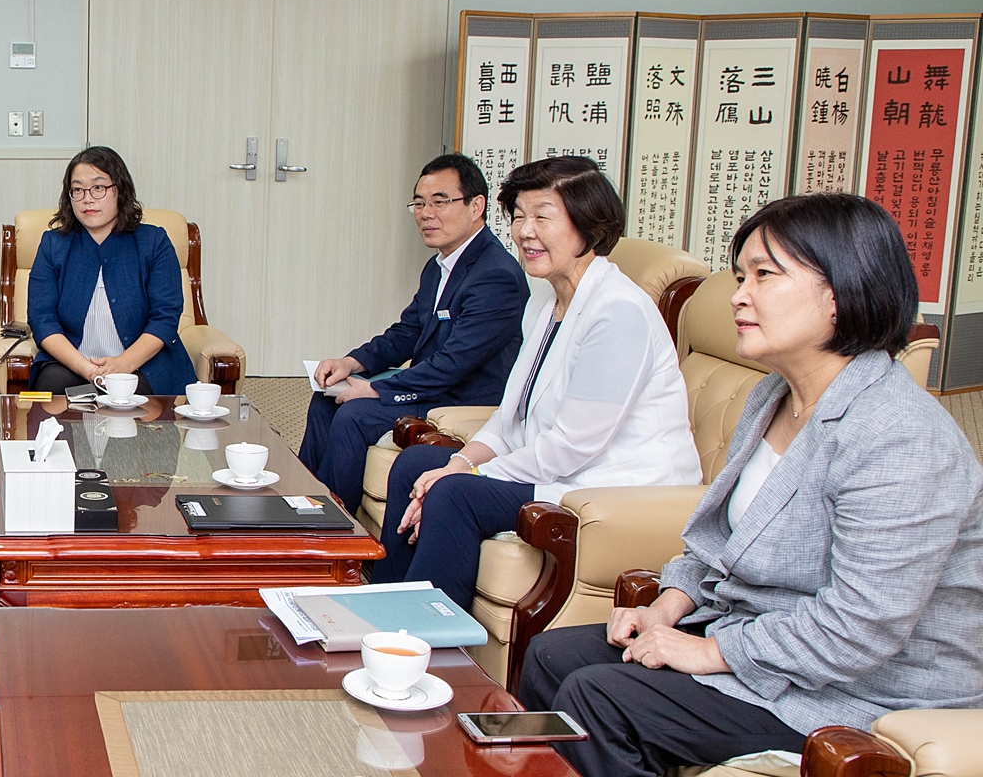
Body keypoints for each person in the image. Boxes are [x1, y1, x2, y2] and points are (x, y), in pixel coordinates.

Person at [520, 194, 983, 777]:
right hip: (765, 643)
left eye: (765, 276)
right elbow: (716, 541)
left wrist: (708, 651)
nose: (739, 294)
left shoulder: (898, 435)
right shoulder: (773, 396)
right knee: (552, 654)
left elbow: (860, 628)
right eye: (741, 275)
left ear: (842, 293)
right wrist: (669, 605)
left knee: (602, 699)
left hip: (862, 691)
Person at [371, 156, 701, 611]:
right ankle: (384, 610)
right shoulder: (546, 302)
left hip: (613, 484)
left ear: (589, 224)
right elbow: (511, 419)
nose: (525, 231)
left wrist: (466, 473)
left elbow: (572, 447)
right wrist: (460, 459)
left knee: (454, 493)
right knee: (415, 466)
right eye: (519, 217)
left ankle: (430, 645)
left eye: (543, 216)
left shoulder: (617, 312)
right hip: (560, 467)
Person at [299, 154, 528, 512]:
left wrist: (376, 388)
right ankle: (302, 503)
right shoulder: (440, 264)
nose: (426, 213)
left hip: (462, 397)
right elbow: (408, 332)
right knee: (327, 396)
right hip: (432, 385)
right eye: (419, 203)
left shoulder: (496, 275)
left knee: (354, 415)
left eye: (440, 202)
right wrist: (352, 363)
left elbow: (453, 363)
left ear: (476, 206)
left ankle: (328, 529)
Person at [24, 146, 195, 396]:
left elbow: (165, 317)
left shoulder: (154, 242)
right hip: (73, 362)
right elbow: (42, 320)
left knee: (138, 408)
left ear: (120, 190)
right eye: (78, 190)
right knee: (52, 391)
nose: (88, 198)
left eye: (98, 187)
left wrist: (122, 365)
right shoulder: (53, 244)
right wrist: (88, 370)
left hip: (143, 363)